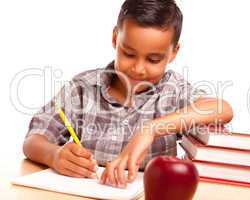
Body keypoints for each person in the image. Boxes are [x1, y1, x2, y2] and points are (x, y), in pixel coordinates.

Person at [23, 0, 233, 189]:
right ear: (115, 38)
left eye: (153, 60)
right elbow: (34, 140)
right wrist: (54, 155)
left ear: (174, 52)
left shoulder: (172, 90)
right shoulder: (82, 88)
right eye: (129, 54)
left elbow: (222, 109)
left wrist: (151, 129)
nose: (138, 69)